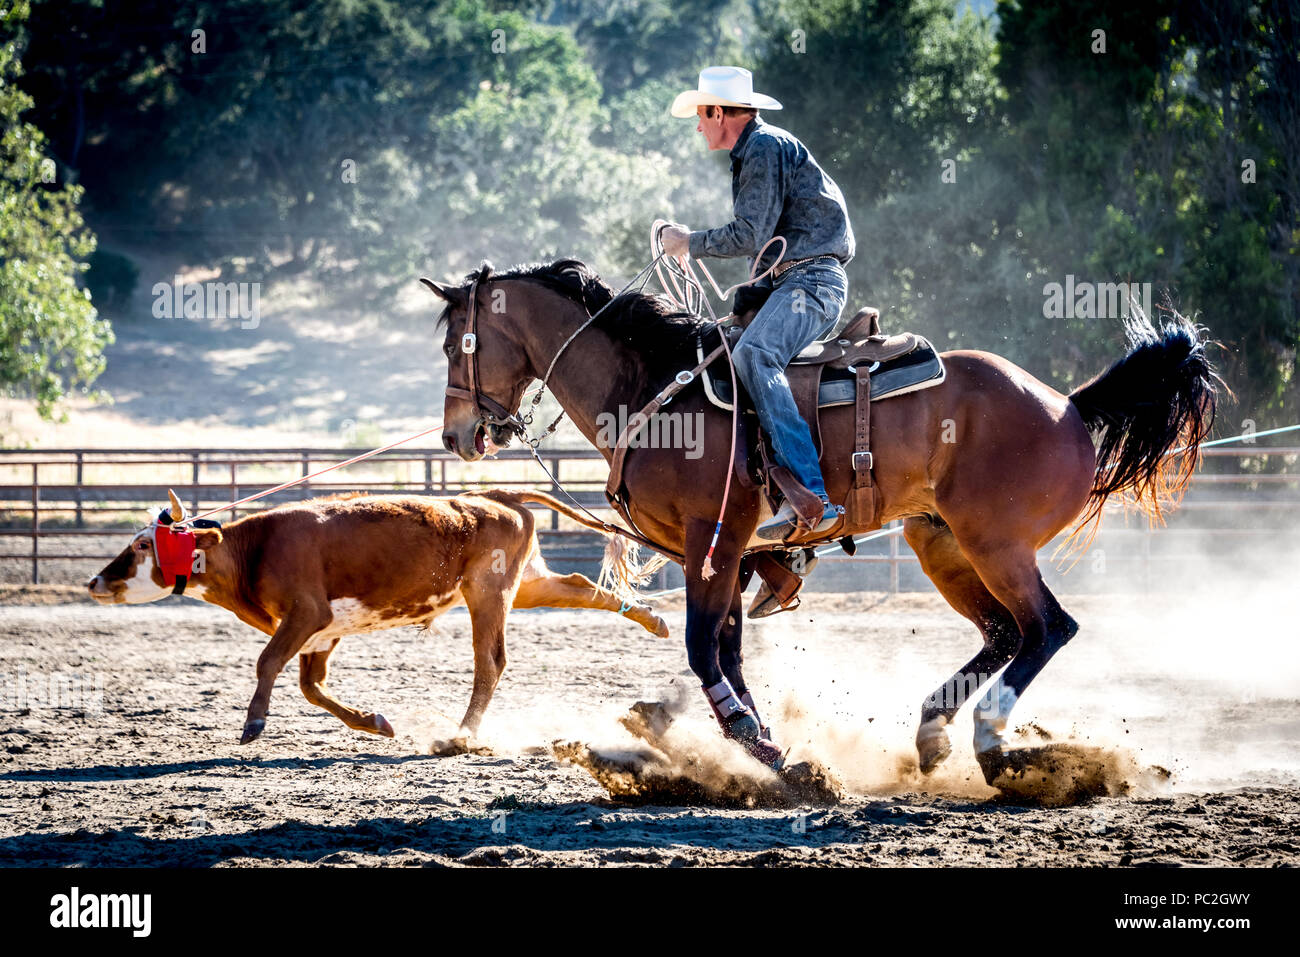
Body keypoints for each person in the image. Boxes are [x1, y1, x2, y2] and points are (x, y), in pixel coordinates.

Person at [660, 66, 855, 540]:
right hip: (796, 283)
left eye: (702, 116)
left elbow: (750, 235)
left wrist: (688, 241)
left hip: (810, 283)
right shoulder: (761, 150)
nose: (698, 126)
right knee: (730, 351)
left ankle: (811, 494)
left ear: (718, 111)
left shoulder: (764, 148)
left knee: (754, 354)